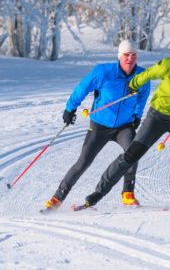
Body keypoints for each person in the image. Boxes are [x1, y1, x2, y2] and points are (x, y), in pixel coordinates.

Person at [81, 35, 170, 209]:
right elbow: (147, 74)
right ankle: (97, 194)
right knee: (132, 154)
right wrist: (134, 84)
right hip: (158, 116)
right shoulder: (169, 65)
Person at [44, 40, 150, 210]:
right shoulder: (103, 72)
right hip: (100, 125)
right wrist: (70, 108)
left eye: (133, 55)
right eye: (126, 55)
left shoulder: (142, 76)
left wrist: (137, 115)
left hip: (124, 126)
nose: (130, 59)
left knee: (133, 152)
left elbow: (142, 98)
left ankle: (128, 193)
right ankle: (57, 198)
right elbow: (82, 88)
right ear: (119, 56)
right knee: (83, 162)